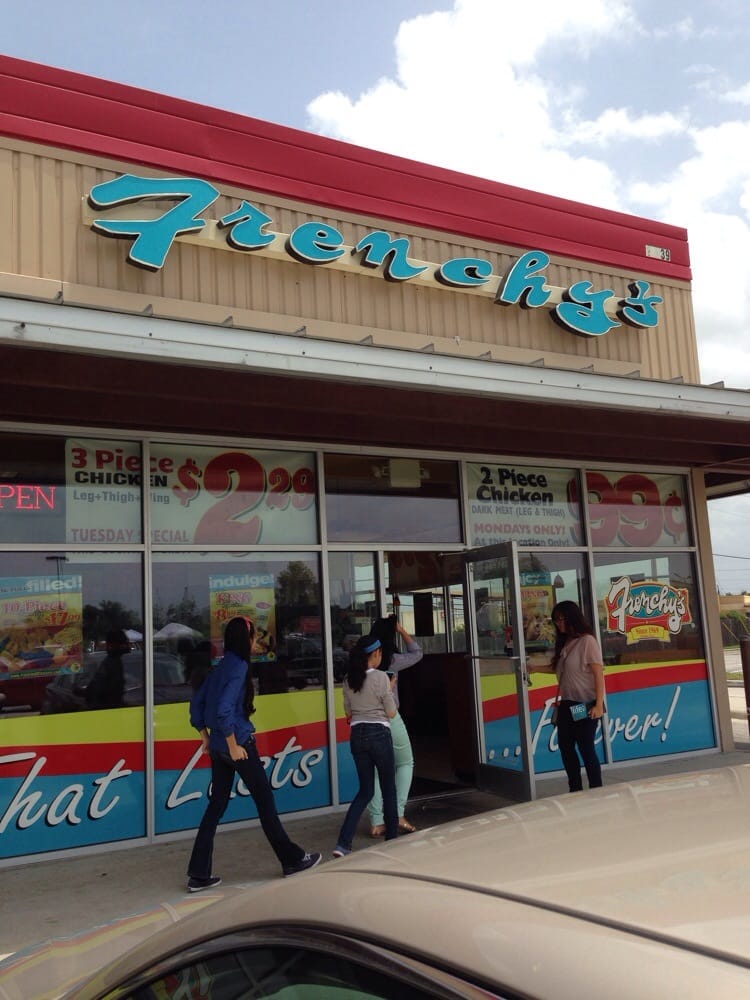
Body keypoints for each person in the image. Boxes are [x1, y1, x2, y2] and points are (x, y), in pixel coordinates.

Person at [186, 616, 320, 890]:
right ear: (244, 640)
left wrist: (206, 738)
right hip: (238, 746)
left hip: (219, 748)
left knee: (216, 806)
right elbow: (223, 709)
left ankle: (198, 874)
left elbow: (197, 704)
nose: (256, 641)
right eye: (253, 636)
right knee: (264, 802)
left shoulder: (221, 666)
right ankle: (292, 859)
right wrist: (234, 744)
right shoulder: (238, 667)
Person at [332, 634, 399, 858]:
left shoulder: (349, 678)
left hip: (357, 735)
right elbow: (391, 712)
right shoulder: (381, 678)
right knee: (388, 789)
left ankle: (343, 844)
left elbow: (348, 714)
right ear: (375, 654)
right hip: (379, 733)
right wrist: (389, 688)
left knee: (366, 791)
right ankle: (392, 842)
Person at [530, 600, 605, 792]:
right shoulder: (566, 642)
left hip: (584, 704)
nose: (559, 624)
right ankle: (575, 788)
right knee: (565, 746)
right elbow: (557, 668)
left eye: (562, 619)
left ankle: (597, 788)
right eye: (555, 620)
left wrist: (598, 704)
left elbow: (598, 673)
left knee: (585, 747)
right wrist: (533, 668)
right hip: (567, 703)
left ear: (573, 617)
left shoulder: (587, 641)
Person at [366, 615, 423, 837]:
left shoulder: (360, 663)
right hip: (390, 717)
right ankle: (397, 813)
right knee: (405, 763)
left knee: (376, 771)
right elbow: (417, 653)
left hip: (367, 720)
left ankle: (376, 821)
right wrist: (402, 630)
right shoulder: (392, 660)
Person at [85, 629, 129, 708]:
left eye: (108, 643)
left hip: (108, 707)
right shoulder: (118, 660)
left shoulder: (112, 662)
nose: (107, 646)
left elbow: (98, 687)